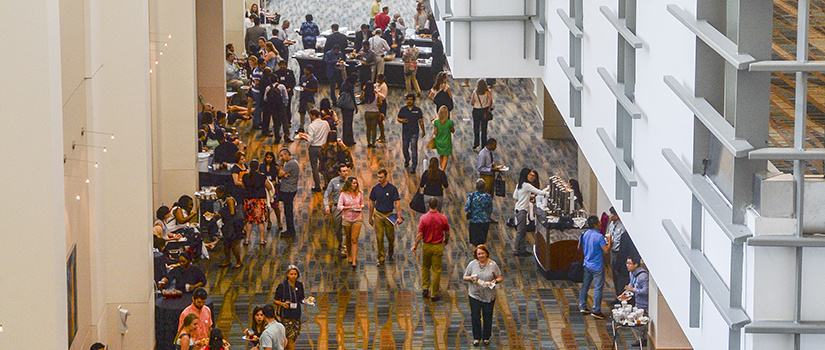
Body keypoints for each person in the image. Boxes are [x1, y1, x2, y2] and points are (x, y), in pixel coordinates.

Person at [462, 244, 502, 346]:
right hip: (475, 294)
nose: (481, 256)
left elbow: (500, 277)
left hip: (488, 296)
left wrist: (495, 281)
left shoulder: (493, 265)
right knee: (475, 316)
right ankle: (477, 337)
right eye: (479, 254)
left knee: (487, 316)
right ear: (476, 255)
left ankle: (486, 337)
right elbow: (464, 277)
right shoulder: (472, 264)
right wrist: (470, 278)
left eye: (483, 253)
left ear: (486, 253)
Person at [412, 198, 449, 301]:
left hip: (426, 246)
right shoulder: (443, 218)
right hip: (438, 246)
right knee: (436, 270)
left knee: (425, 267)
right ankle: (434, 294)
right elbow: (447, 231)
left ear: (428, 205)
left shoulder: (423, 218)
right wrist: (446, 240)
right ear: (437, 204)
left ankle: (425, 288)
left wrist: (415, 245)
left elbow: (419, 234)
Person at [578, 216, 610, 319]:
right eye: (599, 222)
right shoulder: (599, 237)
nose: (601, 223)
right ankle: (596, 310)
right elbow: (606, 250)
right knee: (598, 288)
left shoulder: (584, 234)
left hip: (587, 264)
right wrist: (609, 241)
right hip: (597, 266)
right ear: (595, 225)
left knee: (585, 286)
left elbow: (579, 247)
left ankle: (582, 306)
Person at [369, 169, 403, 266]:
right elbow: (371, 202)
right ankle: (381, 257)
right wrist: (370, 217)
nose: (379, 179)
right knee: (379, 237)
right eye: (378, 177)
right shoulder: (375, 189)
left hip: (389, 214)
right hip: (378, 214)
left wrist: (399, 216)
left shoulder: (392, 189)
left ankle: (391, 251)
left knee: (390, 236)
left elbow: (397, 203)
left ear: (386, 177)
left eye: (381, 177)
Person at [513, 168, 549, 256]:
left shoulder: (519, 185)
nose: (531, 176)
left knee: (523, 230)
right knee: (521, 231)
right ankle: (517, 249)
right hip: (522, 210)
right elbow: (539, 192)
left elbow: (515, 196)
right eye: (529, 174)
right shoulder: (526, 185)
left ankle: (521, 249)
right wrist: (547, 190)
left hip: (519, 209)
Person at [606, 207, 638, 302]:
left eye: (613, 214)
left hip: (618, 251)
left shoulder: (623, 227)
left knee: (621, 275)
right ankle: (618, 295)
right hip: (612, 250)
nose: (610, 216)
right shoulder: (611, 224)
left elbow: (620, 242)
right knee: (614, 274)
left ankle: (623, 296)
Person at [296, 109, 330, 192]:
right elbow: (329, 133)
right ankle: (327, 183)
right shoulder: (325, 123)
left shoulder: (311, 126)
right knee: (324, 165)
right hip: (323, 147)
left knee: (314, 167)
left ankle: (317, 186)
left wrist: (304, 137)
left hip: (314, 147)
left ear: (313, 116)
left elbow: (310, 139)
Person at [273, 265, 306, 350]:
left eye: (295, 274)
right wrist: (282, 304)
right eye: (291, 274)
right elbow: (275, 300)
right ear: (287, 274)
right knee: (290, 339)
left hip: (297, 314)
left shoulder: (299, 285)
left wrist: (306, 301)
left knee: (294, 337)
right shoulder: (282, 286)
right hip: (287, 315)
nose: (293, 276)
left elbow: (301, 298)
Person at [337, 176, 364, 267]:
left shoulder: (359, 194)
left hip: (357, 218)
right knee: (348, 238)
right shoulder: (343, 194)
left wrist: (360, 207)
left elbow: (362, 203)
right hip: (347, 218)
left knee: (354, 239)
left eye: (356, 183)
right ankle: (349, 254)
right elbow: (339, 206)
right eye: (353, 183)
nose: (355, 185)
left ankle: (354, 260)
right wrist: (348, 208)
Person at [325, 164, 351, 258]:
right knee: (337, 228)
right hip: (336, 208)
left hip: (348, 208)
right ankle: (341, 242)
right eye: (343, 171)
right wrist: (327, 206)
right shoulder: (333, 182)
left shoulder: (351, 181)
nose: (345, 173)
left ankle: (345, 248)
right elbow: (327, 194)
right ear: (339, 172)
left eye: (347, 171)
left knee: (346, 227)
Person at [215, 186, 243, 268]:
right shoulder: (224, 201)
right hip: (227, 224)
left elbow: (232, 212)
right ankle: (227, 260)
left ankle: (239, 261)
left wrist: (221, 214)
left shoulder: (229, 200)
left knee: (233, 244)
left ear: (222, 193)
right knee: (226, 243)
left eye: (218, 193)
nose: (217, 195)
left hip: (232, 225)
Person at [397, 93, 425, 173]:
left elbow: (421, 121)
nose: (409, 101)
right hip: (405, 132)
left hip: (414, 133)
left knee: (414, 149)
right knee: (404, 148)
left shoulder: (417, 110)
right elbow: (398, 118)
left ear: (413, 101)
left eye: (411, 99)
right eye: (408, 99)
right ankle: (407, 159)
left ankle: (414, 166)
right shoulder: (403, 109)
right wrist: (402, 121)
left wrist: (423, 131)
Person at [625, 255, 649, 347]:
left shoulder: (643, 276)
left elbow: (645, 291)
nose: (627, 265)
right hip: (638, 302)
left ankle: (643, 339)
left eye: (629, 263)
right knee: (635, 322)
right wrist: (626, 292)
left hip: (645, 303)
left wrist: (633, 290)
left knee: (642, 322)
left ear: (636, 265)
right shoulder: (631, 273)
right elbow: (631, 284)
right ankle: (641, 338)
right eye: (627, 263)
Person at [278, 148, 299, 237]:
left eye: (282, 155)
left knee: (288, 211)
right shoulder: (292, 162)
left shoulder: (290, 163)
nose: (281, 158)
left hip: (288, 189)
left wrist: (281, 166)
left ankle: (290, 231)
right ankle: (290, 229)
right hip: (289, 188)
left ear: (287, 154)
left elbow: (279, 174)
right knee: (287, 210)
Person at [465, 179, 493, 246]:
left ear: (476, 187)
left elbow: (466, 208)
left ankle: (476, 255)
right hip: (485, 221)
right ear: (484, 187)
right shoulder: (488, 197)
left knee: (474, 243)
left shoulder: (472, 196)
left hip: (474, 221)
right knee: (483, 242)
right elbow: (490, 210)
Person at [274, 60, 296, 142]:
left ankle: (288, 121)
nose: (283, 66)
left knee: (288, 107)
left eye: (284, 64)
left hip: (288, 93)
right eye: (281, 65)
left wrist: (289, 88)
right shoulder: (276, 73)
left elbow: (293, 82)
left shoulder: (290, 72)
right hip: (278, 96)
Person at [261, 152, 283, 231]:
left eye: (270, 157)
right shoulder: (262, 166)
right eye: (267, 157)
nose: (269, 159)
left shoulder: (275, 167)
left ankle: (279, 221)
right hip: (265, 189)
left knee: (275, 206)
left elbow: (278, 177)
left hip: (274, 189)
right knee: (266, 207)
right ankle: (269, 221)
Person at [470, 79, 493, 150]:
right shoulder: (487, 92)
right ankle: (483, 144)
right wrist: (489, 107)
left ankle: (476, 143)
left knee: (476, 127)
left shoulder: (475, 92)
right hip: (484, 111)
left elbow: (472, 102)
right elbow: (491, 100)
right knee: (484, 128)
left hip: (476, 111)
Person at [297, 65, 318, 133]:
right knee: (302, 113)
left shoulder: (314, 80)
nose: (304, 71)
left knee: (311, 114)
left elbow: (315, 90)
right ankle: (301, 127)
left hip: (309, 99)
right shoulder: (303, 77)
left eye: (306, 70)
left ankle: (312, 128)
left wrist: (306, 89)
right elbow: (300, 85)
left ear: (309, 71)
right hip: (302, 98)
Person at [432, 106, 455, 170]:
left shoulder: (436, 122)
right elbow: (453, 131)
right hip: (446, 142)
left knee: (441, 155)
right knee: (445, 157)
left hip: (438, 141)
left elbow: (435, 132)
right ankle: (442, 170)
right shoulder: (449, 123)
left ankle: (441, 167)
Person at [338, 74, 358, 146]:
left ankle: (345, 139)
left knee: (345, 123)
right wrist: (356, 106)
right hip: (349, 106)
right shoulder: (351, 86)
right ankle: (350, 140)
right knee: (349, 123)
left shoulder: (344, 83)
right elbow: (352, 96)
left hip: (343, 106)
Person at [359, 82, 381, 147]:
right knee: (374, 129)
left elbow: (360, 98)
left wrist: (363, 91)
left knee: (368, 128)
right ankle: (373, 143)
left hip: (367, 112)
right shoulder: (376, 95)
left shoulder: (365, 95)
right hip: (375, 112)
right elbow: (380, 102)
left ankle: (368, 142)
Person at [374, 74, 388, 142]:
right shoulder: (377, 84)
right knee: (377, 121)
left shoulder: (384, 86)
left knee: (380, 120)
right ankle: (381, 135)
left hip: (382, 104)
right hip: (377, 104)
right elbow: (374, 86)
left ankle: (383, 135)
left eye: (378, 79)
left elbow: (384, 96)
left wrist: (377, 93)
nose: (377, 80)